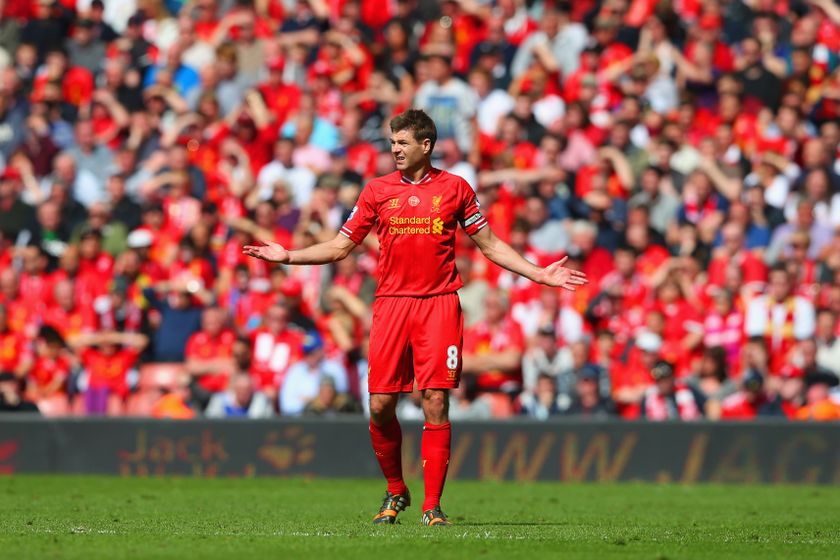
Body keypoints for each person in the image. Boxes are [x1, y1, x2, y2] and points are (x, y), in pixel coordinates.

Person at [244, 109, 587, 526]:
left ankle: (432, 506)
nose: (395, 150)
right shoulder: (377, 190)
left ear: (426, 145)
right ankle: (395, 488)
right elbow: (339, 247)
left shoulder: (456, 188)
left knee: (435, 399)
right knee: (379, 405)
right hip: (391, 304)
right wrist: (288, 255)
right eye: (392, 143)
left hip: (438, 303)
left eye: (402, 142)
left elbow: (491, 245)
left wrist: (538, 274)